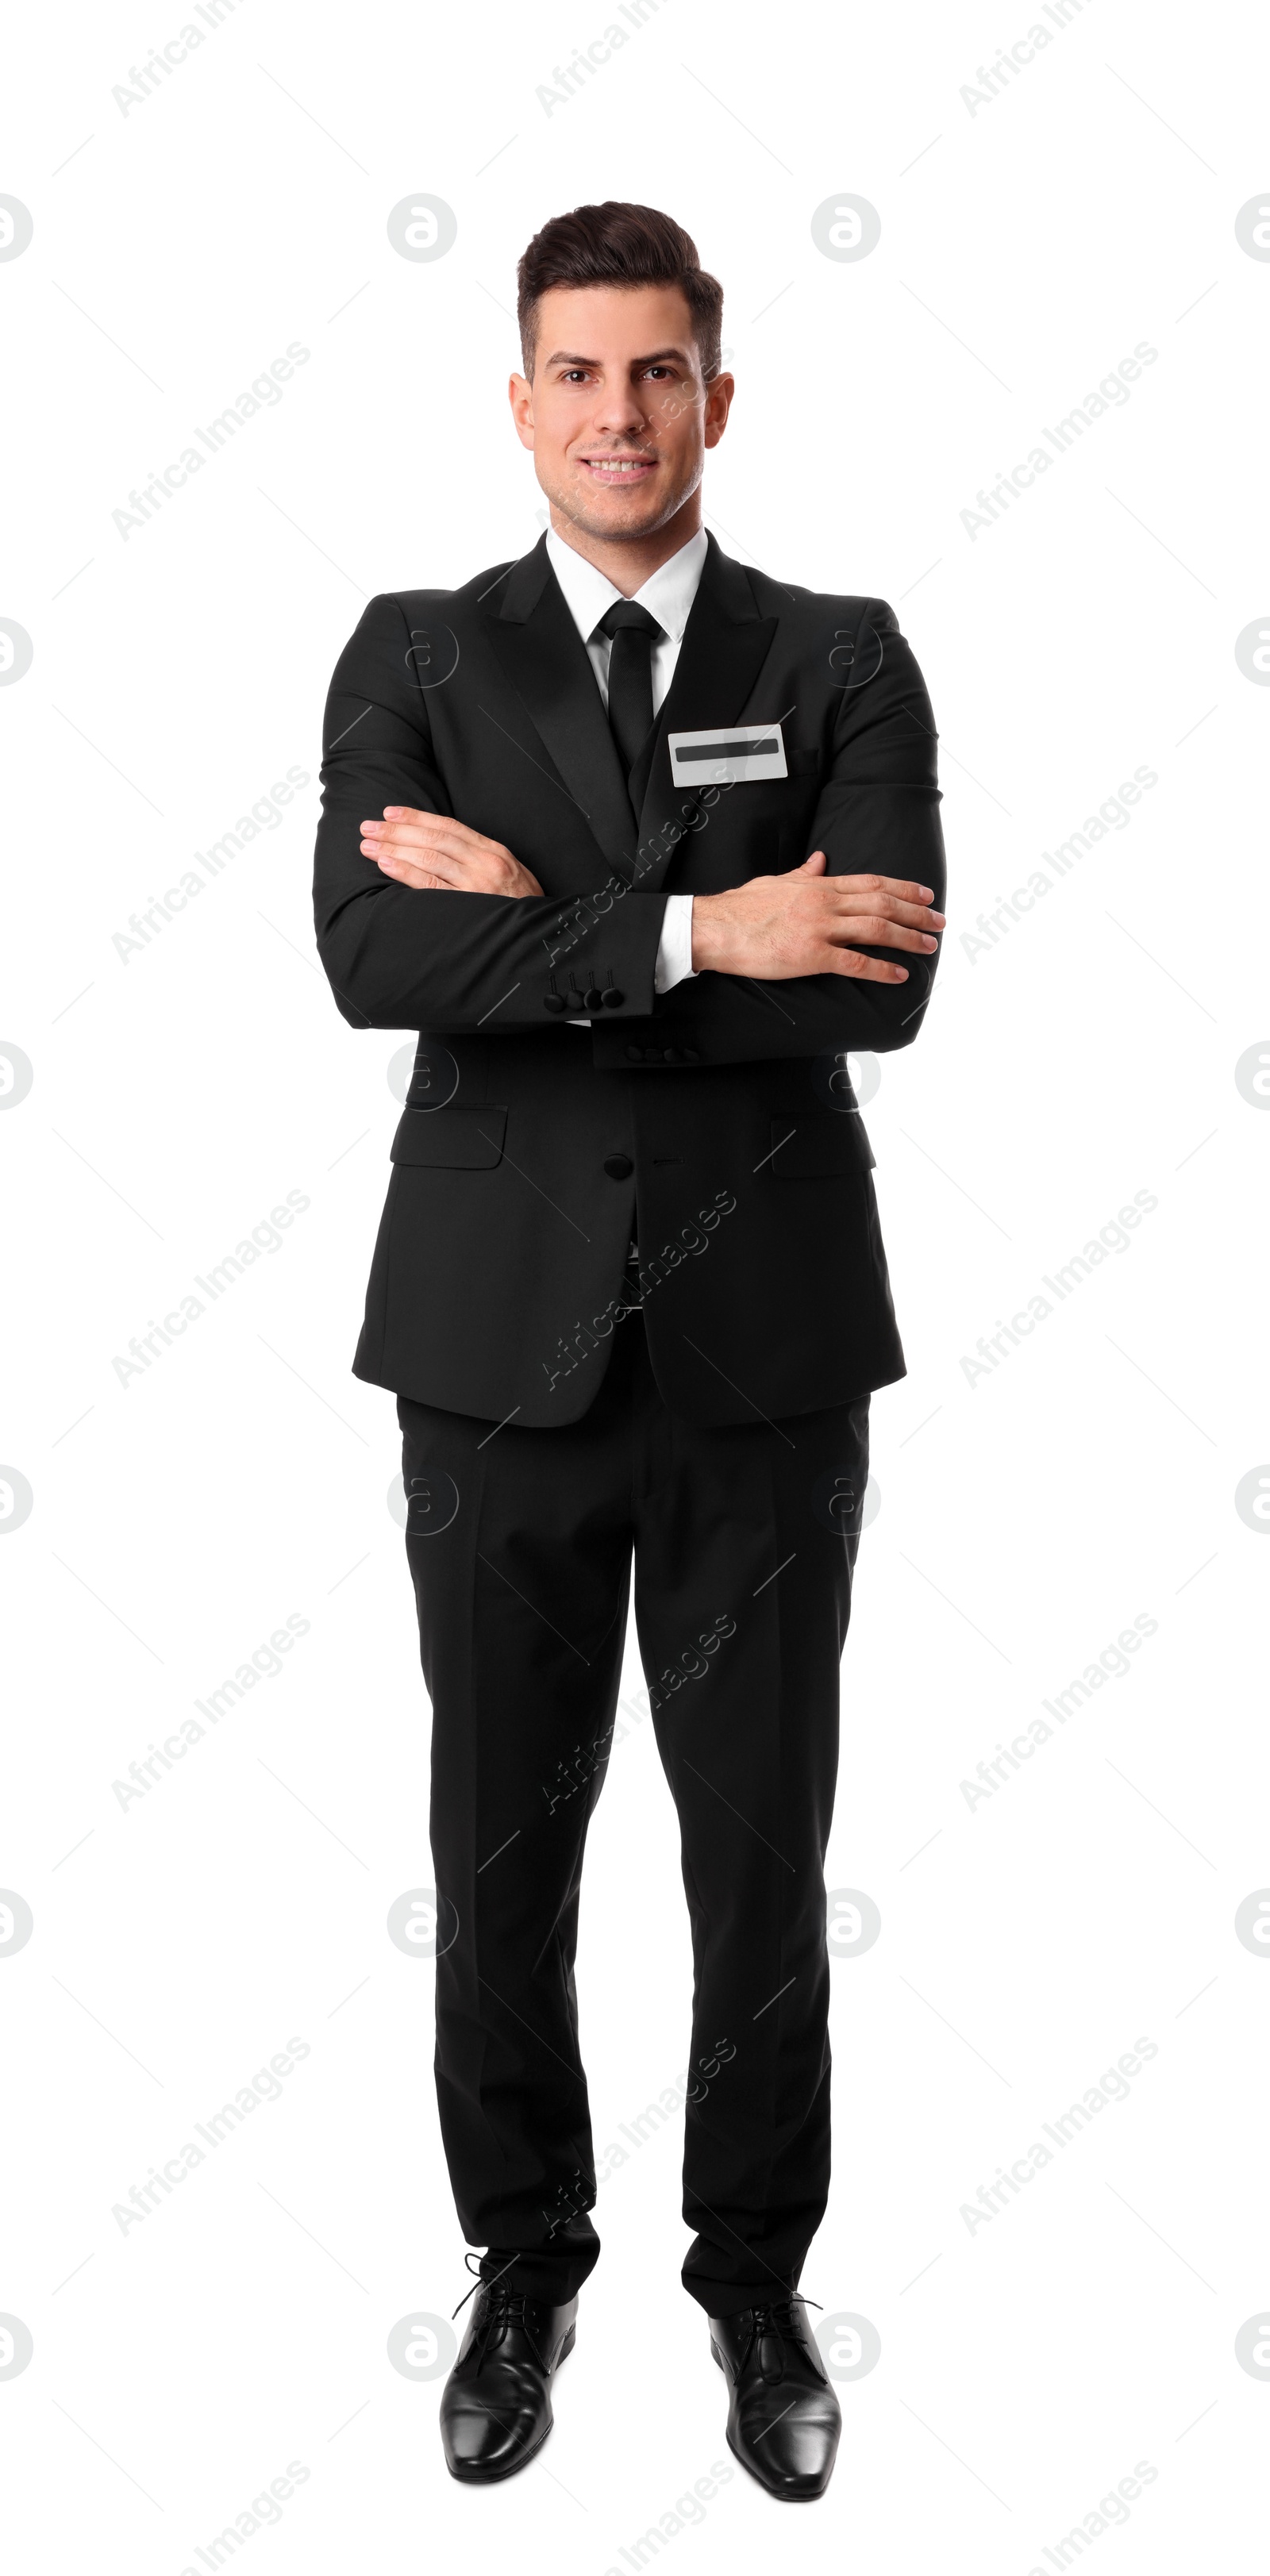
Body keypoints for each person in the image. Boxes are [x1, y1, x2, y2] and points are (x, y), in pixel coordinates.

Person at [313, 198, 945, 2501]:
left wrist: (558, 932)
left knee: (760, 1851)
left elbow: (877, 982)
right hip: (493, 1365)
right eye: (574, 375)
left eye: (655, 372)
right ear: (520, 400)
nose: (615, 415)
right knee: (500, 1846)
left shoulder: (845, 654)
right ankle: (524, 2260)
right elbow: (376, 956)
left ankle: (755, 2281)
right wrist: (701, 923)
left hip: (768, 1358)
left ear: (717, 393)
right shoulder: (417, 652)